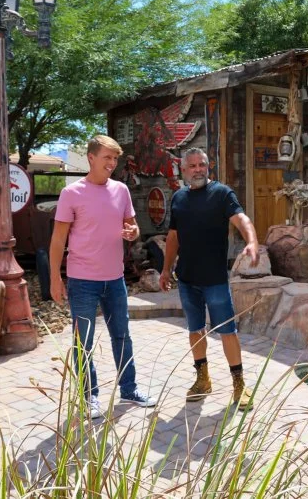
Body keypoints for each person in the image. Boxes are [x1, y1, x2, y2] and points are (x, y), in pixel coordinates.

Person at [49, 135, 156, 419]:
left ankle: (129, 389)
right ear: (91, 158)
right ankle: (89, 397)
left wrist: (133, 233)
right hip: (82, 280)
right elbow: (58, 240)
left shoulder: (121, 190)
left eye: (115, 159)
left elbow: (131, 227)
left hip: (115, 279)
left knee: (122, 336)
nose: (112, 163)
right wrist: (54, 278)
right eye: (107, 157)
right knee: (83, 343)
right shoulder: (71, 194)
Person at [160, 147, 259, 411]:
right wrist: (166, 269)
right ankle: (202, 380)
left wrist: (252, 241)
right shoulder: (179, 198)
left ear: (208, 166)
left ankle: (239, 385)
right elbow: (173, 237)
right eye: (192, 166)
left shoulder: (221, 194)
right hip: (187, 279)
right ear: (183, 170)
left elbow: (241, 219)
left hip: (215, 280)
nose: (198, 170)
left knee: (227, 331)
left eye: (202, 164)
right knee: (195, 330)